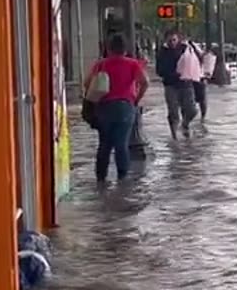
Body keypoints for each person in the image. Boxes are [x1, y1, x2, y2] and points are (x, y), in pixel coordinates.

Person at [84, 33, 148, 182]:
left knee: (104, 144)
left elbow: (87, 84)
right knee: (122, 144)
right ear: (125, 49)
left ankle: (101, 178)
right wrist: (136, 99)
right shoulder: (132, 64)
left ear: (108, 48)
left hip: (104, 108)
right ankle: (122, 178)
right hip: (125, 107)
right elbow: (145, 82)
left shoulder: (101, 64)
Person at [155, 29, 199, 138]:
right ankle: (174, 135)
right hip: (170, 85)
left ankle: (185, 124)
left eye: (174, 39)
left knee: (192, 110)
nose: (172, 42)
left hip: (186, 84)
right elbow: (159, 70)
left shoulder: (186, 49)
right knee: (173, 112)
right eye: (169, 40)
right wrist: (171, 74)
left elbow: (197, 60)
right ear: (166, 40)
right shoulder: (162, 53)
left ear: (178, 39)